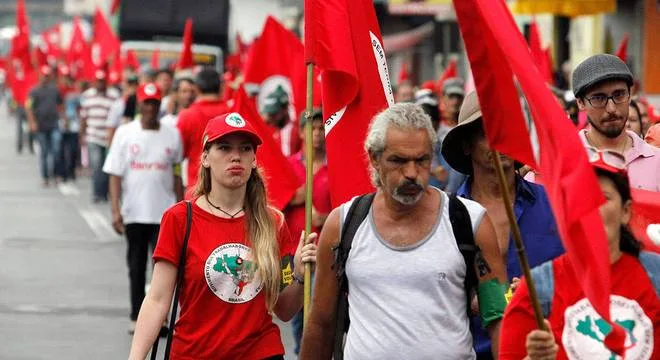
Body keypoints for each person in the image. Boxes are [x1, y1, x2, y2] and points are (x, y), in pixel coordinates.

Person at [300, 103, 508, 359]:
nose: (411, 173)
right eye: (398, 161)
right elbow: (321, 322)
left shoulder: (469, 221)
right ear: (374, 158)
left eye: (421, 160)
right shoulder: (343, 224)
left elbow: (498, 316)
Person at [127, 112, 317, 359]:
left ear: (253, 160)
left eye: (245, 148)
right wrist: (136, 356)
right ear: (205, 158)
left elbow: (283, 309)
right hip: (193, 353)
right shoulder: (180, 218)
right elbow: (157, 300)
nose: (235, 156)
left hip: (260, 353)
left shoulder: (273, 222)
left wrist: (300, 276)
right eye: (224, 147)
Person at [499, 148, 660, 360]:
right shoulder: (538, 289)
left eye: (603, 197)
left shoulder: (655, 275)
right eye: (582, 196)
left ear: (626, 211)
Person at [442, 91, 565, 360]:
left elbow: (581, 277)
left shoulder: (555, 205)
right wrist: (472, 299)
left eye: (507, 130)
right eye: (488, 131)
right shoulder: (447, 217)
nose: (500, 141)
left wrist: (537, 293)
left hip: (546, 350)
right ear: (466, 145)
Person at [103, 82, 184, 334]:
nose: (150, 107)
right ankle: (136, 317)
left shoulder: (172, 134)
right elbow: (115, 175)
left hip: (166, 214)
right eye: (146, 103)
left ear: (160, 105)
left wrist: (183, 208)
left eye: (154, 103)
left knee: (164, 271)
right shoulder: (125, 133)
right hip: (135, 212)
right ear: (139, 104)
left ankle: (159, 319)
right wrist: (116, 210)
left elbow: (177, 172)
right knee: (136, 266)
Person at [573, 54, 660, 192]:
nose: (611, 108)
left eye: (619, 94)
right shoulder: (562, 162)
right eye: (598, 98)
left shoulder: (657, 162)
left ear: (630, 95)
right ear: (580, 103)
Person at [285, 108, 332, 354]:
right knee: (295, 311)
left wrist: (323, 218)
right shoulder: (288, 166)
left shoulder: (334, 167)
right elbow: (270, 204)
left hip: (324, 253)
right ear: (301, 133)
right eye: (311, 128)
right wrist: (292, 198)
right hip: (292, 251)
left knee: (318, 310)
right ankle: (300, 352)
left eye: (321, 128)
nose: (316, 134)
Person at [177, 67, 229, 196]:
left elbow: (178, 154)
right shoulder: (233, 114)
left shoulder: (187, 116)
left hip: (196, 190)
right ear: (221, 87)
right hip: (229, 192)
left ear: (196, 88)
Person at [80, 69, 120, 202]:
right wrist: (82, 135)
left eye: (103, 81)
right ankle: (97, 193)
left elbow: (116, 117)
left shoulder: (114, 96)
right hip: (93, 136)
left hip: (109, 137)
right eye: (98, 81)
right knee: (96, 166)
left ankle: (105, 193)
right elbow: (83, 117)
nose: (100, 84)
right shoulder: (87, 96)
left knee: (107, 167)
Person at [26, 66, 64, 187]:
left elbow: (61, 105)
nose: (45, 78)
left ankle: (56, 174)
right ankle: (45, 177)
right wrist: (32, 122)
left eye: (47, 76)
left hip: (54, 124)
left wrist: (63, 118)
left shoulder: (55, 90)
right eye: (43, 76)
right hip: (41, 126)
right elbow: (29, 107)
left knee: (56, 150)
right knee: (44, 152)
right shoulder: (34, 91)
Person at [437, 77, 468, 192]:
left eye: (458, 97)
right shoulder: (435, 126)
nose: (455, 101)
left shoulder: (468, 126)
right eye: (451, 96)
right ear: (443, 98)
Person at [261, 85, 301, 157]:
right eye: (269, 114)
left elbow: (286, 162)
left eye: (274, 113)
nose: (270, 118)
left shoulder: (289, 131)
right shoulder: (273, 128)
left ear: (285, 109)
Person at [60, 75, 83, 182]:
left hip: (74, 125)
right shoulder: (58, 91)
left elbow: (82, 106)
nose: (67, 81)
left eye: (68, 79)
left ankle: (72, 171)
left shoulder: (75, 92)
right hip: (61, 125)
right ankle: (62, 172)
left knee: (73, 149)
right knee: (61, 150)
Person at [106, 74, 139, 145]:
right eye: (130, 84)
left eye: (135, 84)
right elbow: (111, 127)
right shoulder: (117, 104)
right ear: (125, 85)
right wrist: (110, 146)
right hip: (122, 141)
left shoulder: (141, 103)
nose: (133, 87)